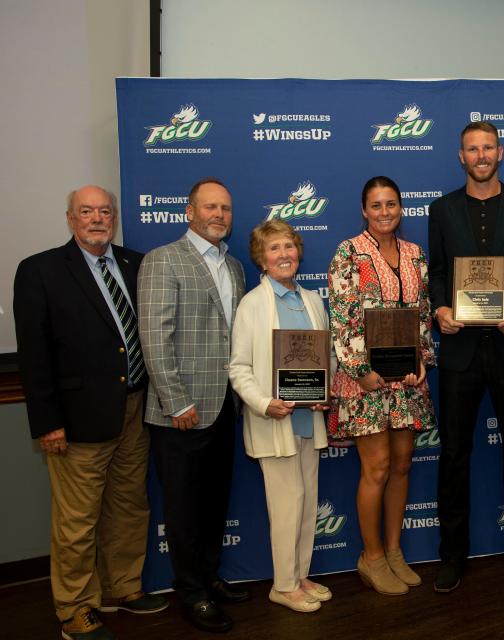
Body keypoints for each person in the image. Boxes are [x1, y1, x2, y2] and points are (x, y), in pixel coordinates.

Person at [13, 185, 167, 640]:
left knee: (129, 506)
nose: (97, 219)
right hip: (77, 418)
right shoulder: (40, 270)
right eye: (87, 211)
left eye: (105, 211)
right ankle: (75, 607)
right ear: (70, 218)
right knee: (77, 519)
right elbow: (34, 355)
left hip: (135, 408)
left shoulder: (136, 264)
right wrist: (47, 422)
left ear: (114, 218)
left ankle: (123, 588)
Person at [428, 121, 504, 592]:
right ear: (460, 156)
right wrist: (440, 307)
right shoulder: (442, 209)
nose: (480, 156)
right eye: (471, 149)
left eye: (487, 148)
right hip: (460, 352)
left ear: (500, 153)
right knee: (454, 455)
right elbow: (437, 273)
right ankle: (452, 554)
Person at [138, 177, 250, 633]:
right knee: (183, 507)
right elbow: (154, 338)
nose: (219, 215)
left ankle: (209, 576)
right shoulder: (163, 261)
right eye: (210, 207)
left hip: (224, 405)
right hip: (180, 412)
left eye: (225, 208)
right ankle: (192, 593)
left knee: (212, 501)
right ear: (189, 212)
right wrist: (175, 401)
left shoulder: (236, 267)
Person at [327, 176, 436, 596]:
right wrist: (358, 369)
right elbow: (342, 314)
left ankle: (393, 551)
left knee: (403, 464)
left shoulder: (415, 254)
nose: (384, 211)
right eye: (376, 205)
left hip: (407, 380)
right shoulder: (348, 253)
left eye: (391, 204)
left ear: (401, 208)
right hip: (366, 381)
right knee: (375, 468)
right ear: (364, 210)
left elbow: (422, 313)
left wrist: (422, 361)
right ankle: (370, 557)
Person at [228, 220, 336, 613]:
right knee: (286, 503)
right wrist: (263, 402)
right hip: (274, 420)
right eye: (274, 248)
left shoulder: (311, 301)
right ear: (262, 257)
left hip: (309, 419)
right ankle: (283, 585)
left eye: (289, 246)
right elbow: (239, 367)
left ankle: (301, 575)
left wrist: (327, 390)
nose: (284, 254)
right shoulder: (252, 304)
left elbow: (328, 358)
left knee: (306, 502)